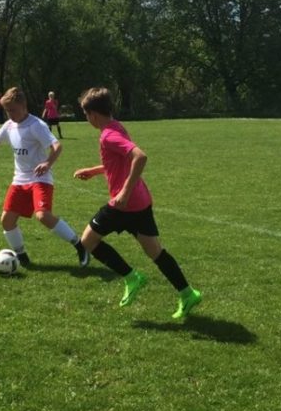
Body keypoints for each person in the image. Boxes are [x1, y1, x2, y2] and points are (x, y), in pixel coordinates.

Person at [73, 87, 203, 320]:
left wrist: (123, 191)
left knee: (87, 241)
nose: (87, 120)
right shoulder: (116, 126)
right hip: (141, 202)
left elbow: (139, 157)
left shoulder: (108, 135)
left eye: (86, 115)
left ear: (93, 114)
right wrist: (94, 171)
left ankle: (132, 277)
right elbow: (121, 162)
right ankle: (187, 293)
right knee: (156, 252)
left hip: (124, 204)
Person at [0, 87, 88, 268]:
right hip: (19, 180)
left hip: (40, 178)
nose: (10, 114)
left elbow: (57, 146)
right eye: (7, 111)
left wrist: (47, 163)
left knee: (43, 216)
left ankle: (80, 245)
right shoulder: (9, 126)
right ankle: (22, 256)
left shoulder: (36, 125)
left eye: (13, 110)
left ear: (24, 106)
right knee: (6, 221)